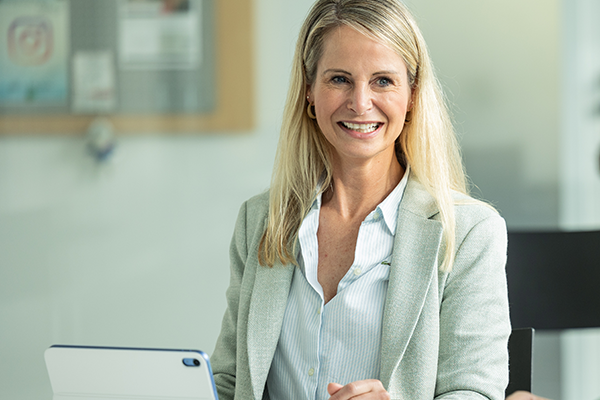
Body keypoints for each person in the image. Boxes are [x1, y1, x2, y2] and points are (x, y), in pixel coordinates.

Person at [210, 0, 511, 399]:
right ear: (309, 93)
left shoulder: (469, 232)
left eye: (383, 81)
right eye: (339, 79)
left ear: (412, 97)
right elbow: (230, 382)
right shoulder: (261, 220)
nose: (360, 102)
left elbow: (474, 390)